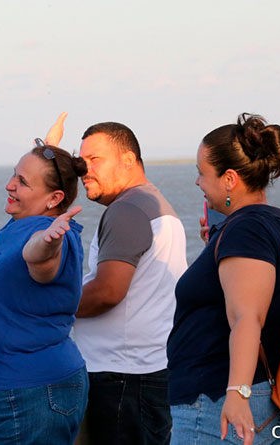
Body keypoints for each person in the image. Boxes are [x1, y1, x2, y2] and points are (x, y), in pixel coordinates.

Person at [166, 113, 280, 445]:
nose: (198, 182)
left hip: (218, 405)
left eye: (202, 172)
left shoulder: (247, 230)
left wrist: (237, 393)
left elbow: (247, 316)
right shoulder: (268, 225)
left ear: (229, 179)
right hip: (257, 396)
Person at [0, 140, 89, 444]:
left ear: (54, 198)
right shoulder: (24, 223)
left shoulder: (49, 236)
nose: (9, 185)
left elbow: (38, 257)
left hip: (25, 399)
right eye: (14, 175)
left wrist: (49, 242)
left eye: (22, 182)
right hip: (18, 393)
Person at [65, 119, 188, 445]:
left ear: (129, 160)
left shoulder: (127, 209)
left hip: (123, 379)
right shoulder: (155, 204)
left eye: (95, 160)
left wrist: (50, 307)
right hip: (145, 371)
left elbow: (108, 291)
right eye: (81, 161)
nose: (84, 170)